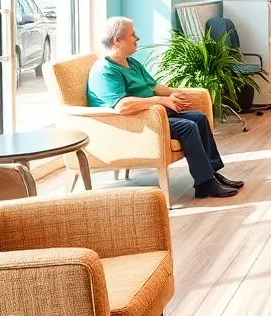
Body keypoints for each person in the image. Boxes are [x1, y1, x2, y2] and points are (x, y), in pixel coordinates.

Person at [86, 16, 244, 199]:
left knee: (199, 118)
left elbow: (153, 86)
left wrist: (173, 93)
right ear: (117, 40)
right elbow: (122, 106)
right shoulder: (106, 70)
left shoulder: (131, 62)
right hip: (130, 124)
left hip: (150, 116)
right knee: (187, 126)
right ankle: (205, 183)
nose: (137, 38)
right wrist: (161, 101)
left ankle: (212, 174)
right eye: (133, 34)